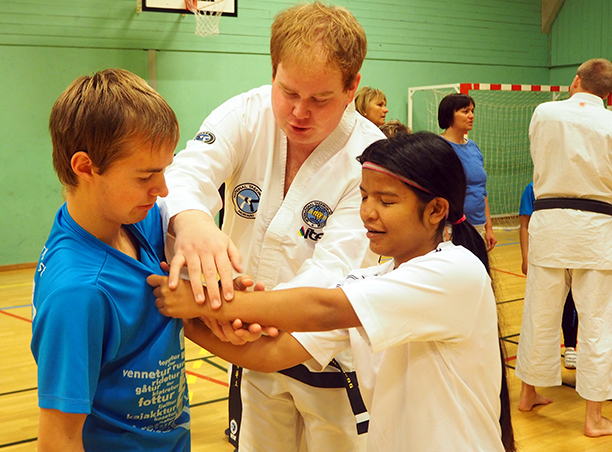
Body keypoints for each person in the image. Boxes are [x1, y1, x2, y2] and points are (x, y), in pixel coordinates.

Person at [149, 132, 516, 452]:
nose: (367, 213)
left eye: (386, 201)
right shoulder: (374, 280)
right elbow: (272, 355)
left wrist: (218, 300)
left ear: (436, 210)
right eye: (363, 197)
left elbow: (323, 307)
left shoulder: (455, 271)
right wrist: (192, 315)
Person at [162, 2, 385, 451]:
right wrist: (192, 220)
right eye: (287, 92)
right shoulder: (245, 115)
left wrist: (237, 312)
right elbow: (185, 175)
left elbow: (334, 271)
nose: (299, 111)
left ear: (351, 87)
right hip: (250, 351)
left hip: (331, 359)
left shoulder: (371, 156)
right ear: (273, 71)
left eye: (320, 98)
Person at [30, 69, 190, 451]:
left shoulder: (136, 217)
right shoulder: (79, 293)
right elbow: (58, 438)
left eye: (165, 169)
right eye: (145, 176)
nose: (163, 189)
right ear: (85, 167)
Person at [514, 58, 612, 437]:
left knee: (539, 313)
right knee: (598, 322)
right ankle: (593, 418)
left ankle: (528, 394)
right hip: (596, 229)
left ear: (575, 81)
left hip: (549, 224)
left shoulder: (544, 112)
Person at [519, 182, 578, 369]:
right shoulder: (532, 188)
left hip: (574, 254)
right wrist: (525, 257)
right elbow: (524, 225)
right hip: (546, 257)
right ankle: (541, 360)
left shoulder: (573, 186)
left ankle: (571, 347)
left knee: (574, 302)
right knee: (545, 307)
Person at [438, 93, 497, 250]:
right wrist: (443, 229)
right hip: (451, 227)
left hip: (477, 225)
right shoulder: (439, 147)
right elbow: (435, 192)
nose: (471, 116)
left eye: (472, 111)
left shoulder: (473, 147)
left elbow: (481, 190)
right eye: (465, 111)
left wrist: (488, 228)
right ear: (450, 114)